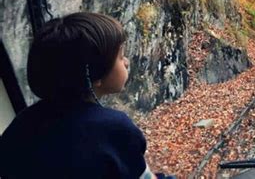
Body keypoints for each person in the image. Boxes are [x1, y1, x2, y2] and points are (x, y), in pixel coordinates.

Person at [0, 12, 157, 179]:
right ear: (96, 73)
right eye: (120, 57)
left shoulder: (21, 124)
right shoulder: (114, 129)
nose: (126, 62)